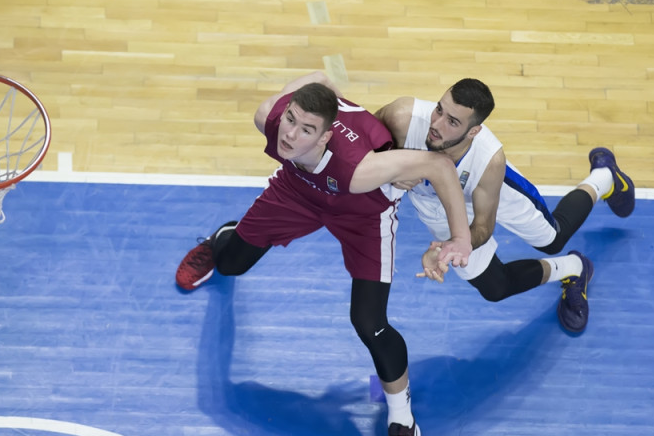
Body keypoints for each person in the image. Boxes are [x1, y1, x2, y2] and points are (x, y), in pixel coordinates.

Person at [176, 71, 475, 436]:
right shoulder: (269, 118)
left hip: (362, 213)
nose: (289, 134)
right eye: (291, 119)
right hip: (297, 192)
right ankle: (222, 237)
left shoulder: (357, 169)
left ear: (325, 136)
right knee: (231, 263)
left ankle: (402, 417)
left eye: (306, 129)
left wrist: (461, 238)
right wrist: (310, 106)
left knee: (369, 322)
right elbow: (321, 78)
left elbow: (439, 165)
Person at [375, 78, 635, 334]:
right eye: (439, 109)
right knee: (494, 288)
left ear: (474, 132)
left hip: (485, 189)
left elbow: (482, 226)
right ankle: (575, 268)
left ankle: (604, 176)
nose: (436, 124)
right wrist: (389, 170)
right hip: (434, 204)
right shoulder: (401, 118)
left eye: (452, 122)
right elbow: (358, 152)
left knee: (552, 240)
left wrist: (456, 245)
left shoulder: (489, 161)